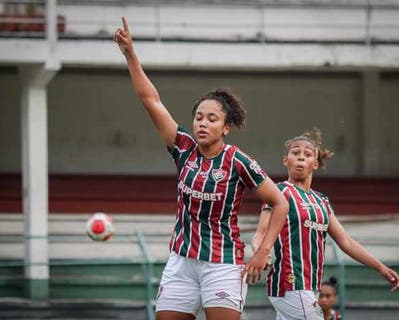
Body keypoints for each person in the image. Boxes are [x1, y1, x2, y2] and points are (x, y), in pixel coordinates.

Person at [114, 17, 289, 320]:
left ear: (226, 128)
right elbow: (150, 100)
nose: (202, 123)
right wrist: (130, 53)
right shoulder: (181, 146)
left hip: (222, 263)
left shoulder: (238, 161)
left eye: (211, 118)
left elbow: (280, 202)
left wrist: (263, 252)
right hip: (181, 260)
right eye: (198, 116)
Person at [252, 128, 399, 320]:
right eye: (295, 153)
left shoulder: (321, 200)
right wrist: (260, 252)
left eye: (307, 154)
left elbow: (345, 242)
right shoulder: (278, 192)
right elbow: (260, 233)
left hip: (310, 286)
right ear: (285, 160)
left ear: (315, 163)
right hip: (289, 283)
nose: (300, 158)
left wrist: (380, 267)